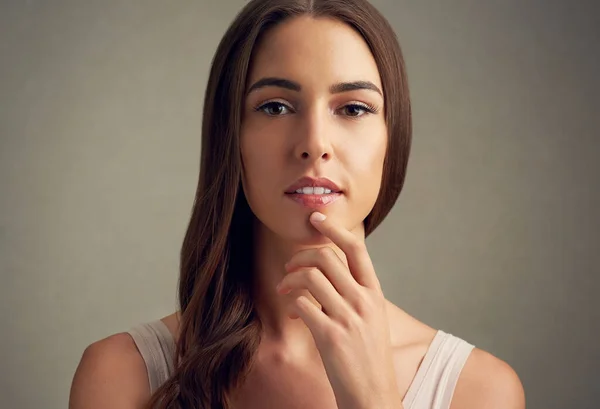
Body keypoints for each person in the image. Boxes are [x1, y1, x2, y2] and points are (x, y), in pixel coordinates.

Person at [69, 0, 525, 408]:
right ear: (230, 136)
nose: (314, 144)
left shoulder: (479, 391)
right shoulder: (123, 377)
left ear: (393, 137)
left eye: (353, 109)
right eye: (275, 107)